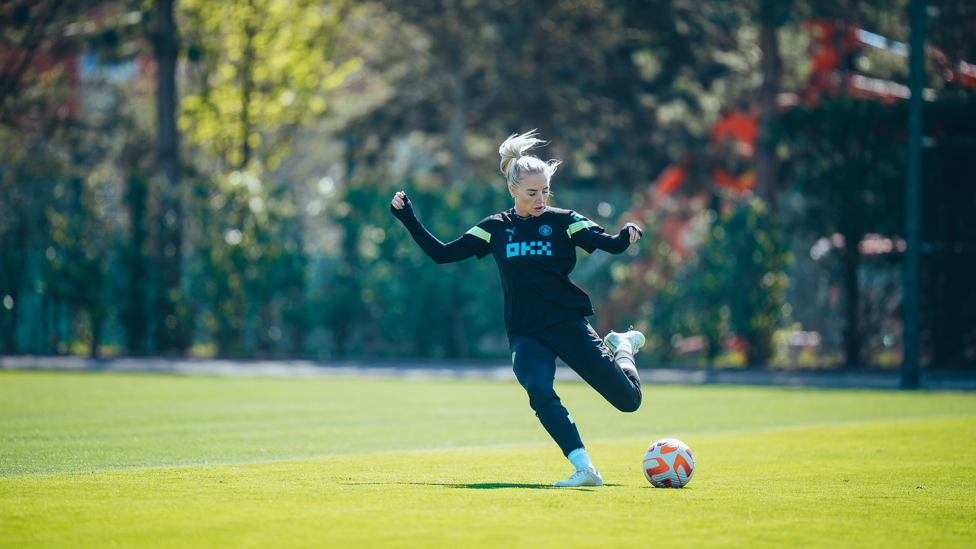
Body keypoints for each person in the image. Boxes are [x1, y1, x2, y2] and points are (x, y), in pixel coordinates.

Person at [390, 130, 646, 487]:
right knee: (538, 390)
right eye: (532, 192)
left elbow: (609, 244)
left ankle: (622, 347)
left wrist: (626, 234)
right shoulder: (495, 228)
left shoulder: (564, 219)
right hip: (525, 332)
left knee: (628, 402)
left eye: (545, 191)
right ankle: (585, 469)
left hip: (567, 323)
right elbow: (442, 254)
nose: (541, 199)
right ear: (513, 190)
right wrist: (409, 219)